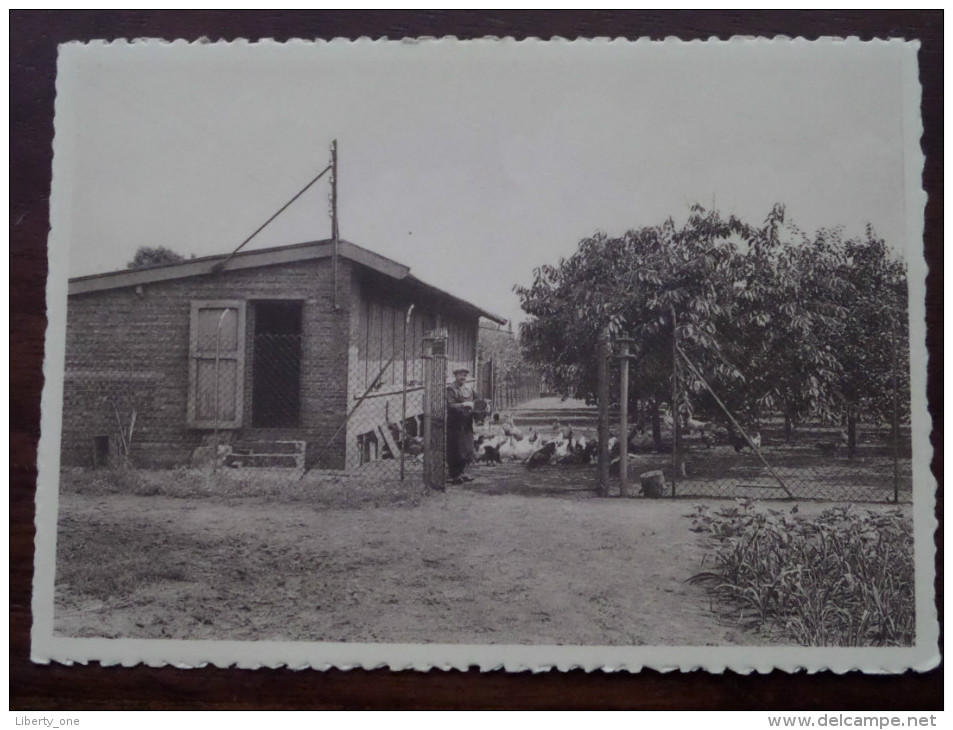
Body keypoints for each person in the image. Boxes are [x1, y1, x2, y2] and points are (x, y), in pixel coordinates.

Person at [446, 367, 479, 485]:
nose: (463, 377)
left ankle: (463, 472)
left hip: (467, 422)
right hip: (455, 423)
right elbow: (450, 405)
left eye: (465, 375)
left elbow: (478, 400)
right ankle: (454, 474)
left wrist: (480, 406)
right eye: (460, 375)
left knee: (466, 448)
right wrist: (464, 404)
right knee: (455, 448)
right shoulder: (451, 389)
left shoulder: (469, 388)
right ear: (455, 375)